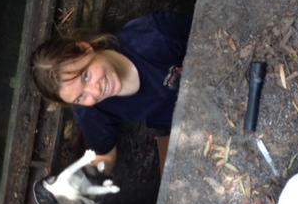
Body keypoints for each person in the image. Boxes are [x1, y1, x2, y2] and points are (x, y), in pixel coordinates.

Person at [31, 12, 191, 175]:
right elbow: (104, 156)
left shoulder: (152, 35)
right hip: (178, 125)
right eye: (80, 97)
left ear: (84, 48)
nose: (95, 92)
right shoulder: (90, 111)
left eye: (86, 76)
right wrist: (87, 181)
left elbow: (210, 36)